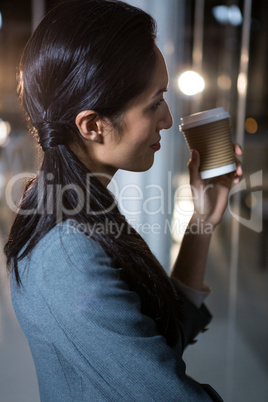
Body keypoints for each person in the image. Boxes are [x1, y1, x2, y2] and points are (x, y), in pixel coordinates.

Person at [4, 1, 243, 401]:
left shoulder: (73, 205)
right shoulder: (68, 254)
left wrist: (202, 222)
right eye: (154, 103)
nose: (167, 119)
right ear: (93, 125)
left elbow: (154, 344)